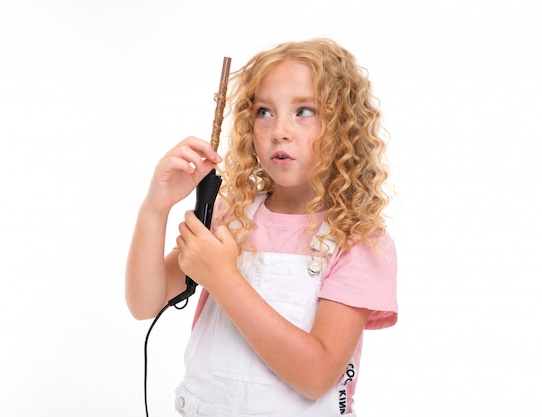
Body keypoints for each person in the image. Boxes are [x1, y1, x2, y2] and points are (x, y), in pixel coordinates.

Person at [125, 38, 397, 417]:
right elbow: (144, 303)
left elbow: (317, 375)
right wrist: (155, 208)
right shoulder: (231, 215)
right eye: (264, 112)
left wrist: (223, 278)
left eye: (304, 111)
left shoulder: (357, 241)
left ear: (344, 127)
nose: (279, 130)